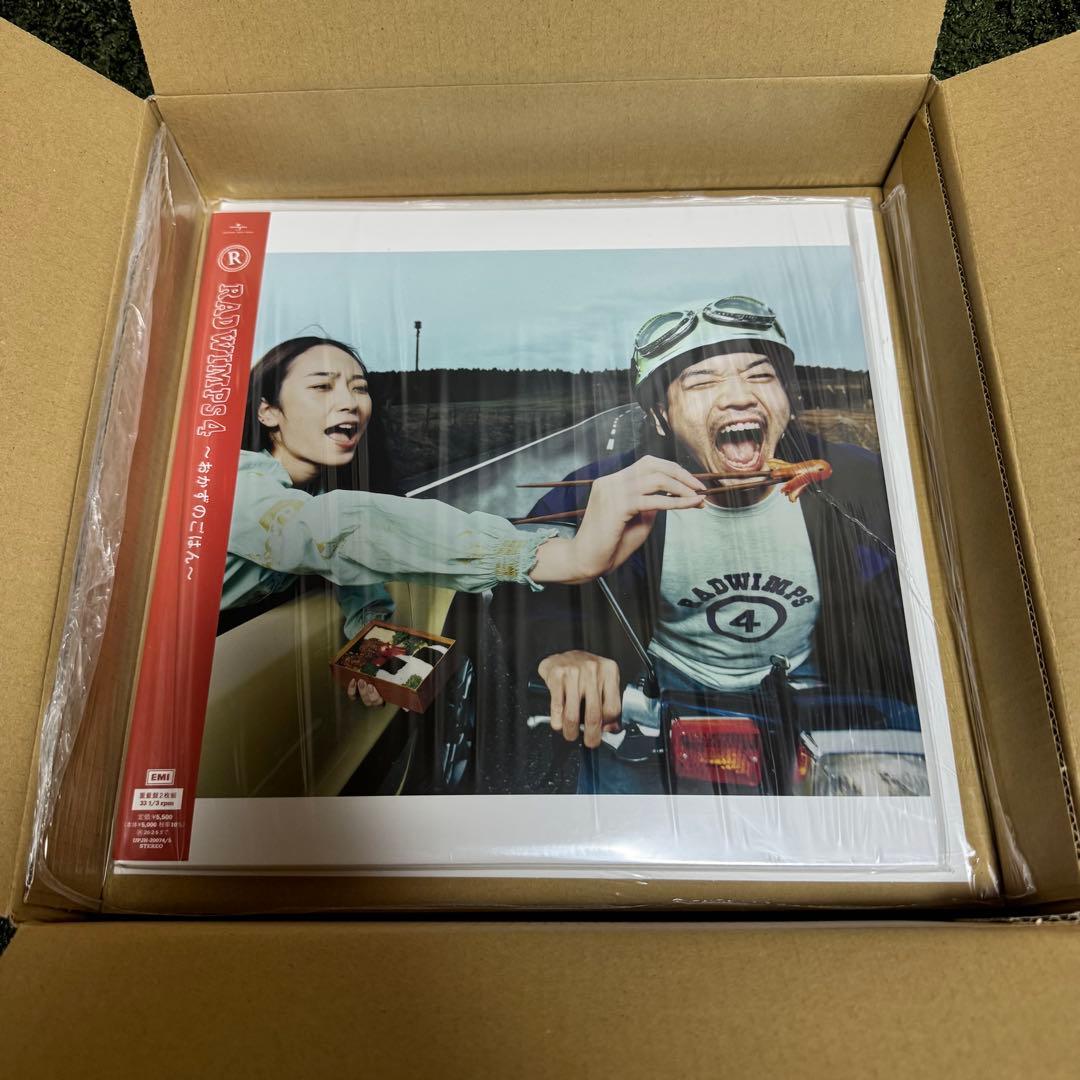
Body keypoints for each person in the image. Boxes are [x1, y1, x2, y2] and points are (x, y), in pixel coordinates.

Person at [494, 296, 918, 793]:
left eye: (760, 376)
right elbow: (518, 580)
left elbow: (922, 587)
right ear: (660, 416)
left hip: (826, 699)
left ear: (786, 400)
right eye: (701, 382)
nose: (739, 397)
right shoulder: (605, 490)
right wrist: (557, 650)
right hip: (664, 701)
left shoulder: (857, 480)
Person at [221, 336, 706, 706]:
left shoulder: (313, 494)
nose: (349, 401)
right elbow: (333, 530)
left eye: (360, 388)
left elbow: (351, 570)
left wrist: (369, 644)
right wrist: (558, 556)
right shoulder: (231, 484)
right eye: (322, 386)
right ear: (268, 411)